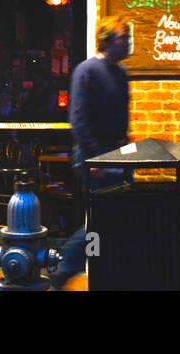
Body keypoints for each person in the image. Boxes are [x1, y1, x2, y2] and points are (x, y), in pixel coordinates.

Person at [50, 15, 132, 289]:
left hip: (116, 153)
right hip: (94, 154)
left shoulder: (120, 73)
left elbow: (121, 120)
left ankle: (108, 272)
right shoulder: (87, 71)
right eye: (123, 37)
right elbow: (79, 120)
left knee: (117, 217)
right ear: (107, 40)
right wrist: (95, 158)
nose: (128, 42)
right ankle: (65, 268)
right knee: (103, 218)